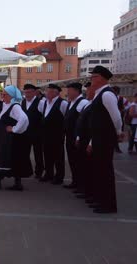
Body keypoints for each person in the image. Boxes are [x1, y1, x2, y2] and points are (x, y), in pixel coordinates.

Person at [87, 66, 123, 213]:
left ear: (101, 78)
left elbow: (116, 117)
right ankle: (100, 200)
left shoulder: (107, 95)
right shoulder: (99, 94)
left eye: (93, 76)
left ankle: (108, 204)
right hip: (98, 138)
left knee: (105, 171)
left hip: (104, 138)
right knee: (99, 171)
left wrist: (118, 132)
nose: (91, 79)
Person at [0, 86, 30, 191]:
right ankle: (13, 183)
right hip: (5, 138)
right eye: (3, 94)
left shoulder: (15, 106)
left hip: (10, 139)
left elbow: (24, 118)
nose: (3, 96)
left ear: (11, 96)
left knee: (5, 158)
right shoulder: (7, 105)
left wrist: (14, 129)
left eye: (5, 94)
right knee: (7, 158)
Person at [39, 84, 68, 185]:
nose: (46, 93)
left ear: (55, 92)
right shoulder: (45, 103)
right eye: (47, 91)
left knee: (58, 157)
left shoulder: (62, 103)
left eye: (48, 91)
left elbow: (66, 118)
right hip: (45, 135)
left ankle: (59, 177)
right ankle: (48, 174)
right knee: (47, 155)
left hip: (57, 135)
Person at [63, 83, 89, 190]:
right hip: (70, 137)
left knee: (79, 162)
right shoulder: (71, 102)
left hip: (78, 138)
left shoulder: (83, 102)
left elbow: (82, 121)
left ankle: (81, 184)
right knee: (72, 161)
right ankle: (75, 181)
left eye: (69, 90)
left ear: (76, 91)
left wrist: (78, 136)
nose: (67, 93)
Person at [74, 88, 96, 206]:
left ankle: (90, 193)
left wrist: (91, 143)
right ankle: (85, 190)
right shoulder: (88, 104)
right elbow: (80, 121)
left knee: (89, 168)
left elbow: (95, 126)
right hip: (82, 139)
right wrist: (77, 137)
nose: (86, 92)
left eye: (89, 90)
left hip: (88, 140)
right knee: (83, 166)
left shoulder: (93, 105)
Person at [21, 84, 45, 179]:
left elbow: (45, 117)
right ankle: (27, 170)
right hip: (25, 132)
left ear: (35, 92)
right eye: (26, 92)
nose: (27, 94)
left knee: (38, 153)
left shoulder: (40, 103)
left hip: (37, 133)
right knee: (24, 152)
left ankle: (39, 171)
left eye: (29, 92)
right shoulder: (22, 102)